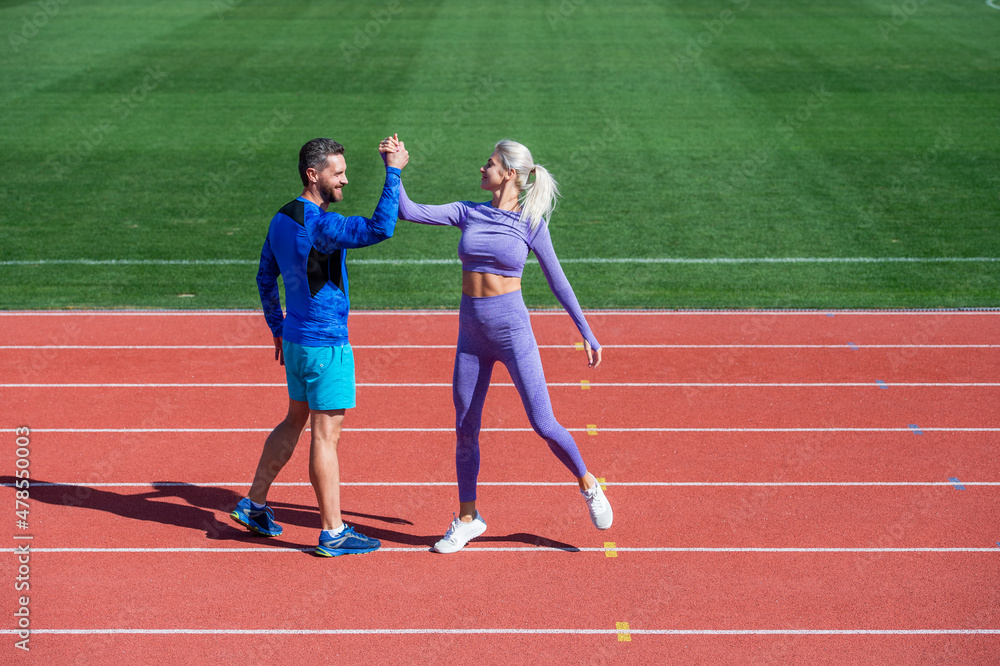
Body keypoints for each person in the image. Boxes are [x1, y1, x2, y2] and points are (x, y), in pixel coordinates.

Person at [386, 136, 612, 553]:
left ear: (509, 173)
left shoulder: (530, 223)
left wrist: (585, 329)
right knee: (465, 427)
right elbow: (408, 210)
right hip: (471, 335)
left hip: (513, 333)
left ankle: (588, 482)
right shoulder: (466, 212)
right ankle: (468, 517)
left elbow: (556, 278)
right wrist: (393, 168)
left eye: (488, 163)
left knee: (543, 423)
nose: (481, 168)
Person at [230, 135, 409, 557]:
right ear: (314, 175)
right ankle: (332, 532)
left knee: (294, 419)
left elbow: (263, 277)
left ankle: (254, 504)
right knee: (325, 437)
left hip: (294, 341)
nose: (345, 180)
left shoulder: (280, 218)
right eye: (339, 173)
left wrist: (277, 327)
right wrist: (394, 170)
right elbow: (381, 227)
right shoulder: (322, 226)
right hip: (326, 345)